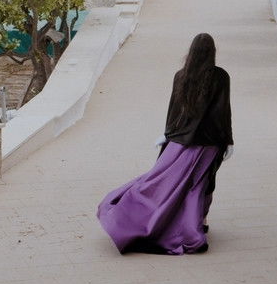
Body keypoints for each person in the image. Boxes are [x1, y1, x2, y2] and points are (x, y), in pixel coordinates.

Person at [97, 32, 233, 254]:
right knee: (201, 183)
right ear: (212, 52)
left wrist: (167, 135)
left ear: (191, 52)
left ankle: (130, 215)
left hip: (180, 140)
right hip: (208, 143)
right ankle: (196, 226)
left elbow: (174, 111)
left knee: (159, 181)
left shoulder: (181, 76)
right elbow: (222, 112)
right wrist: (228, 140)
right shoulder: (220, 76)